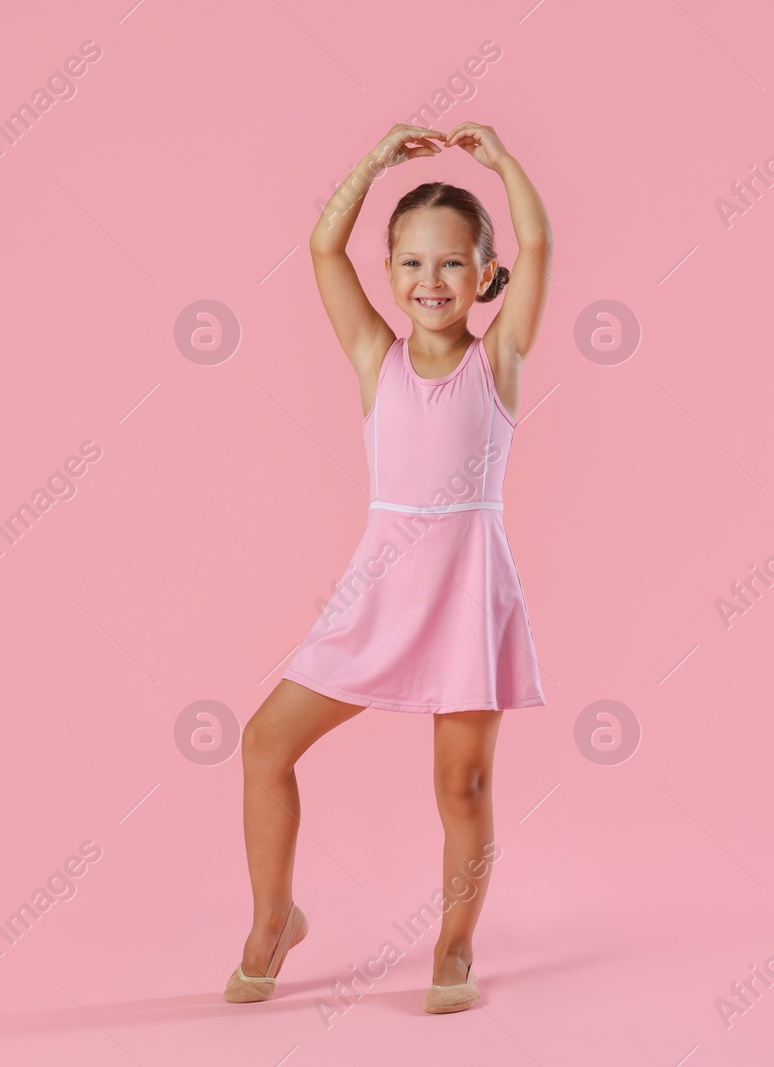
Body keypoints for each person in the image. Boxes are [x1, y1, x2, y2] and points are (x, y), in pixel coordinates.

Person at [225, 122, 553, 1015]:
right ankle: (272, 919)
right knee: (263, 743)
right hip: (381, 586)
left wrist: (499, 163)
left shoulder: (501, 362)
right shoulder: (378, 357)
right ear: (390, 275)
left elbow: (542, 239)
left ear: (486, 275)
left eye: (452, 265)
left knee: (464, 783)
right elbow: (322, 244)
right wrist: (372, 163)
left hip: (466, 590)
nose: (430, 282)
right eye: (410, 264)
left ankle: (454, 946)